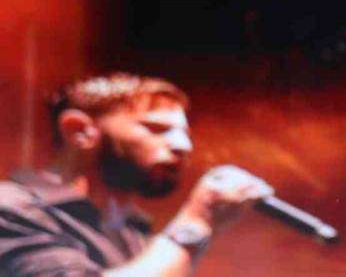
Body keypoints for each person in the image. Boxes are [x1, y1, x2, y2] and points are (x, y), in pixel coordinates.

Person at [0, 72, 273, 276]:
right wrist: (197, 221)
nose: (183, 146)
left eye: (184, 134)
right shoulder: (11, 209)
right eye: (156, 129)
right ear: (79, 131)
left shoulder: (129, 229)